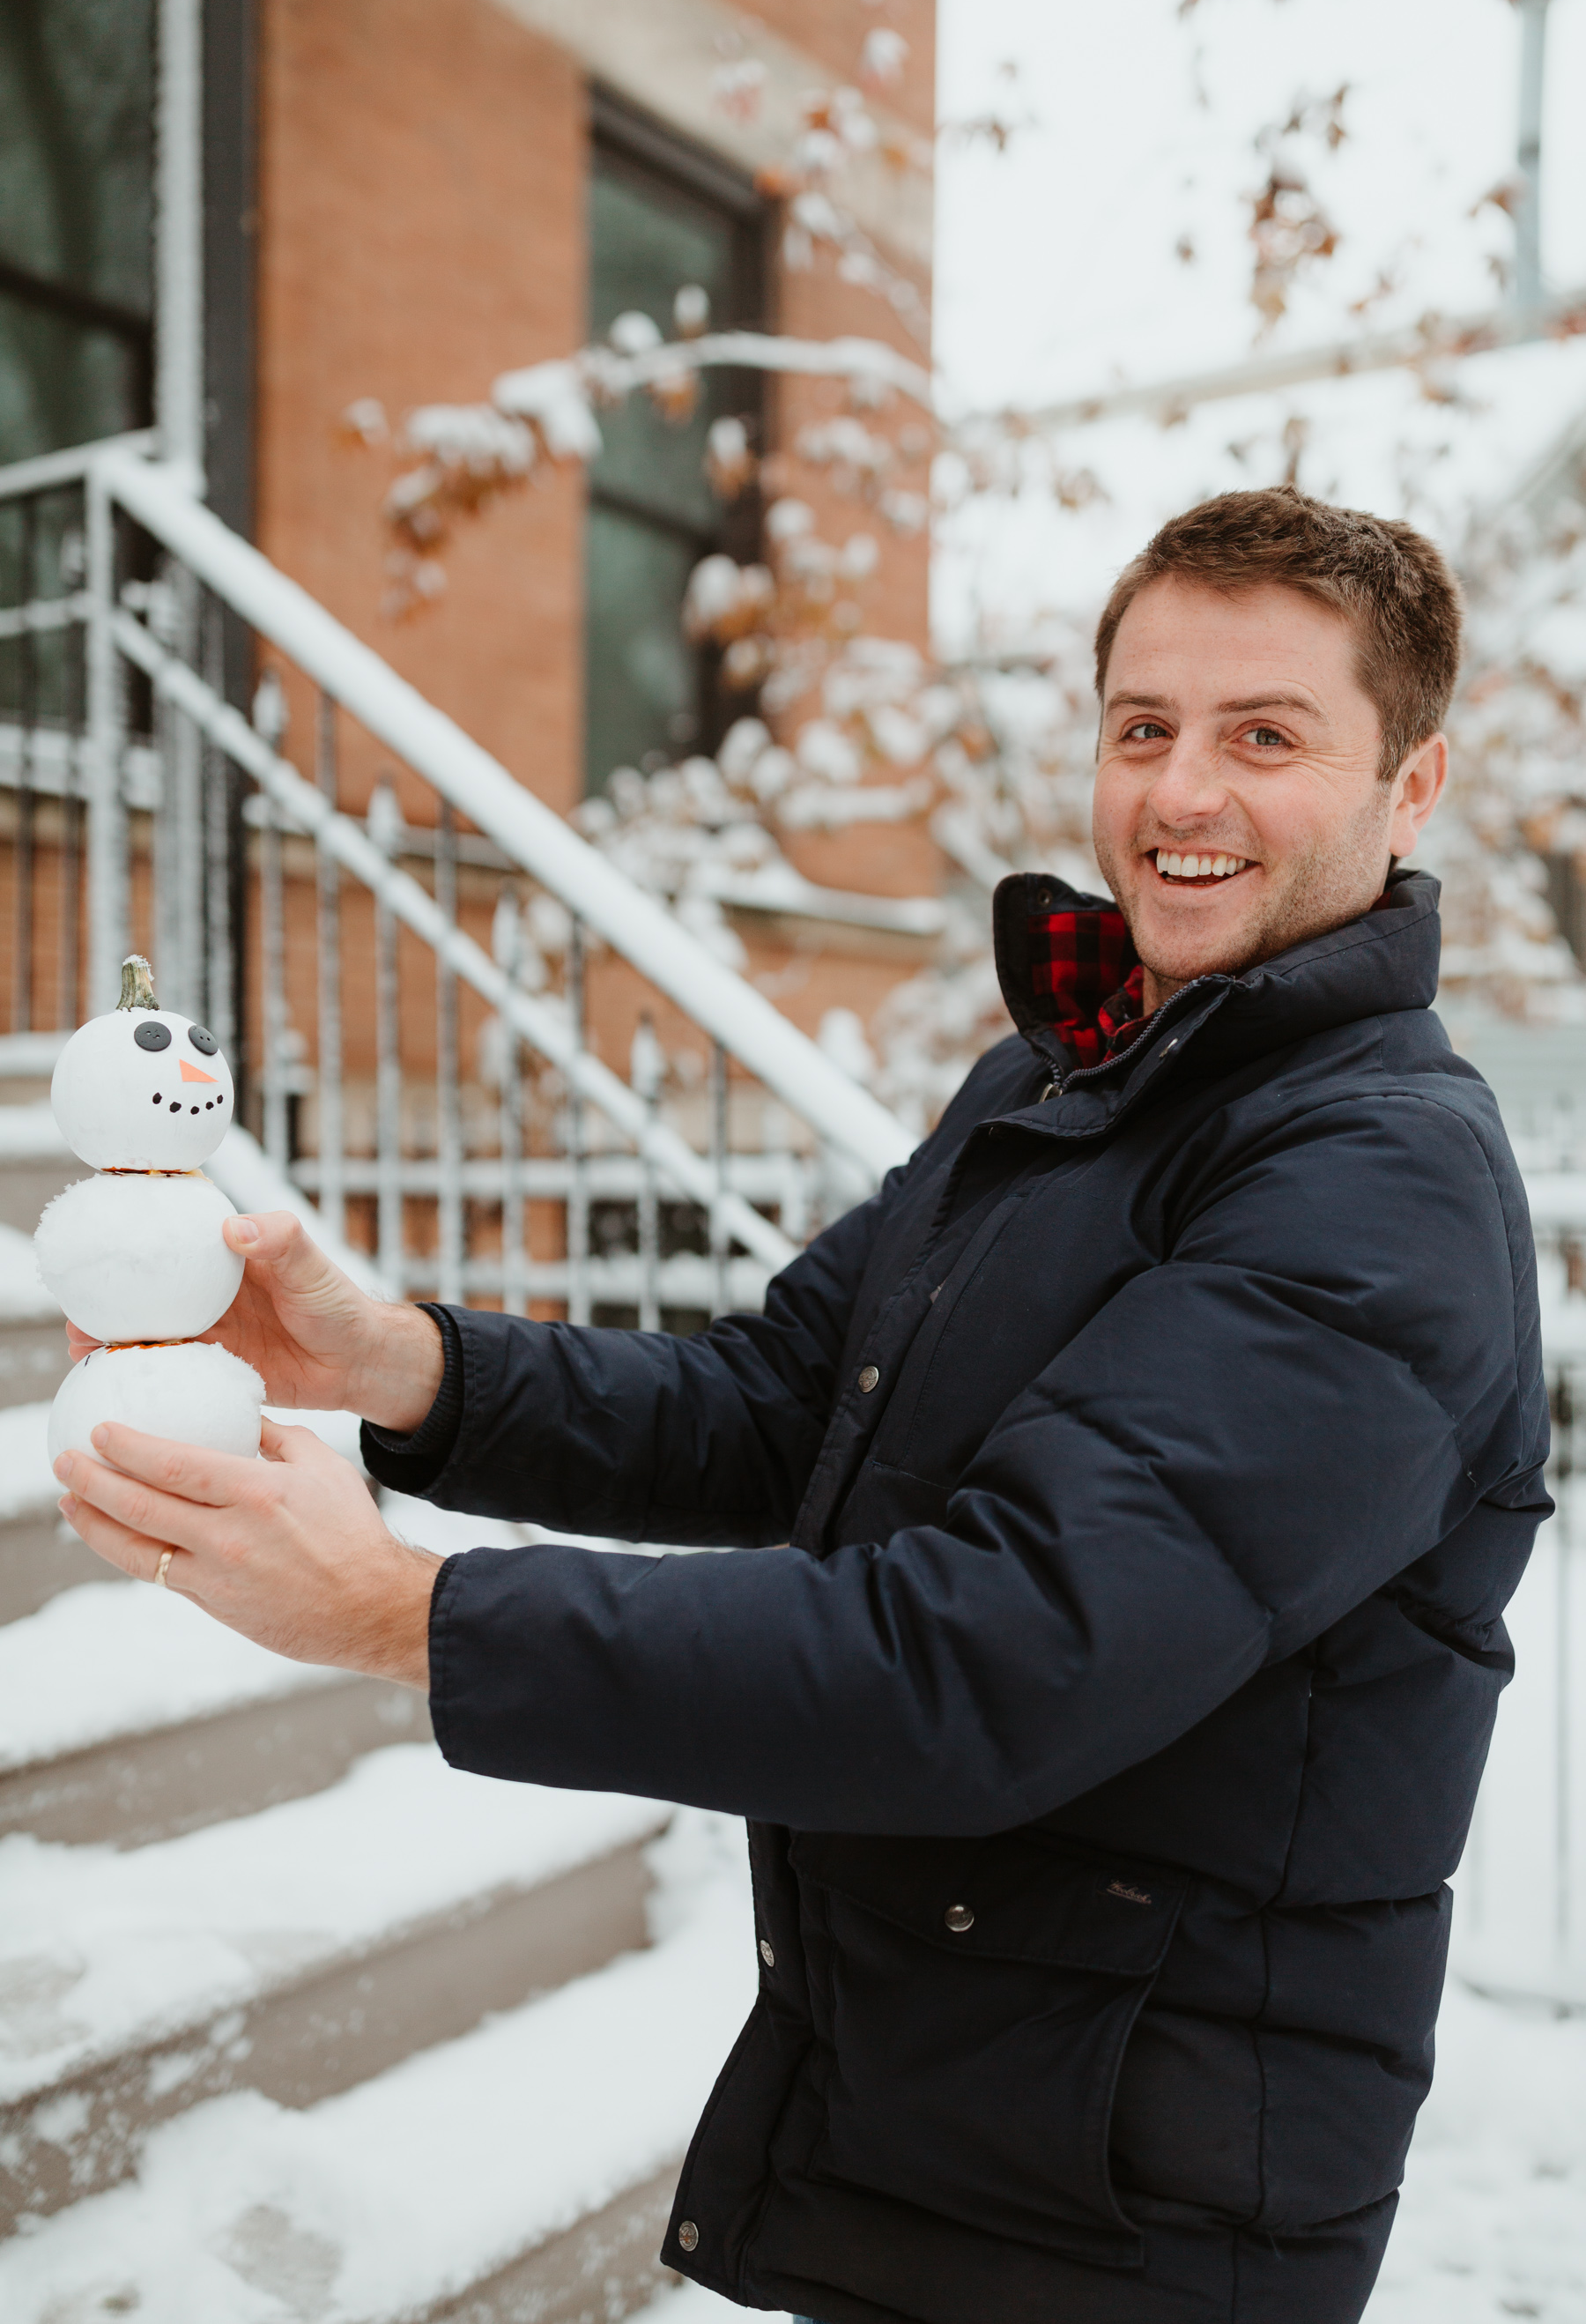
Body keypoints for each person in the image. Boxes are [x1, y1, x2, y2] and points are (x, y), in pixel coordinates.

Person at [56, 487, 1549, 2324]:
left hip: (1140, 2201)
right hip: (962, 2099)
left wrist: (405, 1615)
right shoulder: (1069, 1082)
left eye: (1266, 738)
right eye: (1143, 728)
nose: (1180, 796)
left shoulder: (1376, 1182)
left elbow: (997, 1653)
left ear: (1411, 789)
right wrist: (402, 1365)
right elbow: (778, 1404)